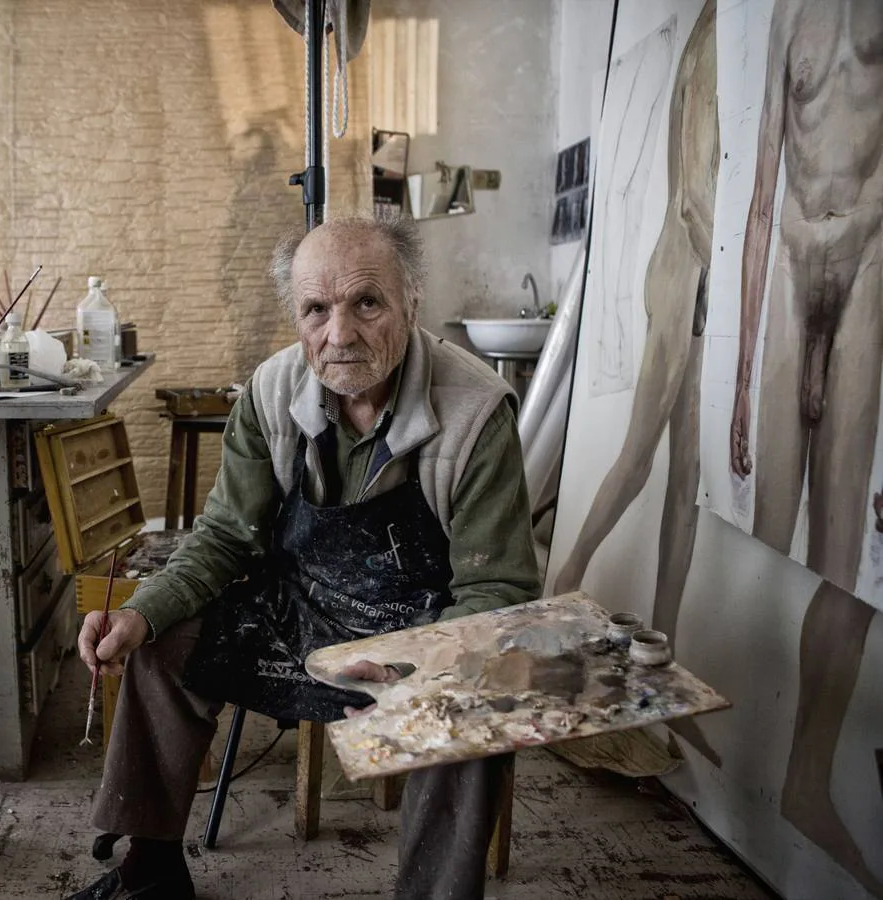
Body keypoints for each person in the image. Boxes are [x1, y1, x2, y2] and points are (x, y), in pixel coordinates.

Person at [65, 215, 540, 900]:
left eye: (366, 303)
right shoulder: (270, 392)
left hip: (422, 630)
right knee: (159, 642)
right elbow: (227, 537)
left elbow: (495, 589)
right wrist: (140, 613)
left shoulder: (474, 411)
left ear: (412, 301)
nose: (339, 335)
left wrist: (416, 671)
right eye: (316, 309)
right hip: (297, 614)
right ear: (296, 313)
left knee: (467, 706)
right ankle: (151, 869)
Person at [727, 0, 883, 892]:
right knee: (771, 530)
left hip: (869, 259)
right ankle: (753, 770)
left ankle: (807, 781)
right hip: (790, 260)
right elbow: (757, 199)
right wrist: (746, 380)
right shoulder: (788, 11)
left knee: (841, 568)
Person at [552, 0, 720, 765]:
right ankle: (562, 587)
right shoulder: (703, 40)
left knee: (687, 476)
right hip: (683, 264)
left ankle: (667, 664)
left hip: (711, 274)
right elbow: (692, 194)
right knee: (639, 457)